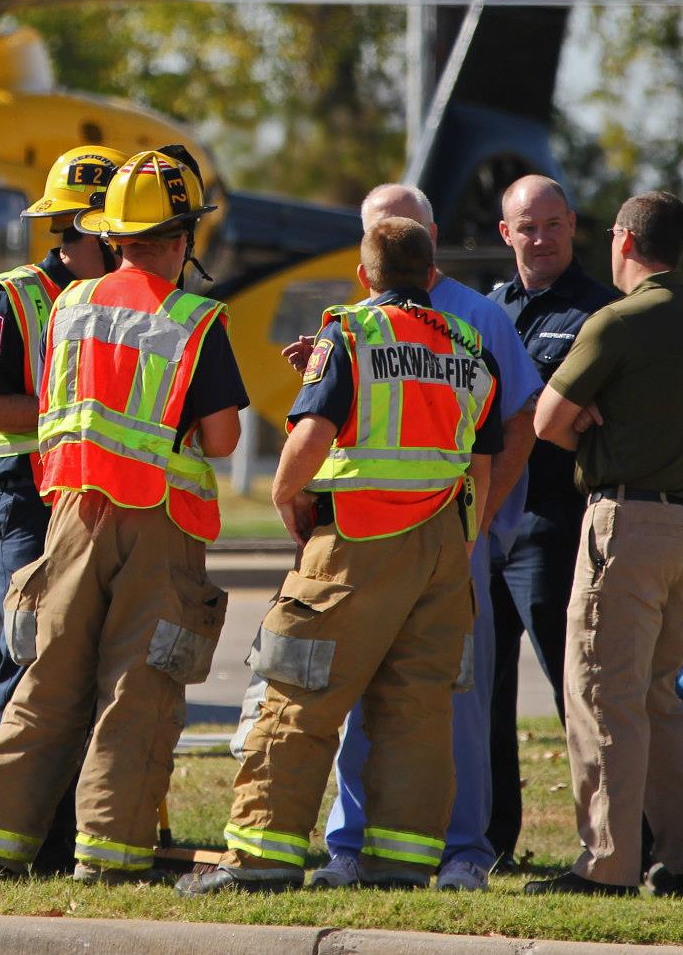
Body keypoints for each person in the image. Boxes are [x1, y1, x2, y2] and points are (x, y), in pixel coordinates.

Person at [185, 216, 503, 896]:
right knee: (417, 708)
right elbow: (481, 453)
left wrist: (284, 497)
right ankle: (402, 862)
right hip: (442, 548)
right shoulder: (469, 344)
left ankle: (261, 859)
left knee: (296, 691)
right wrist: (464, 534)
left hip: (356, 540)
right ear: (431, 276)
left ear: (365, 276)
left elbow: (313, 435)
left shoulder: (350, 333)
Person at [0, 149, 245, 884]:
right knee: (136, 690)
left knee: (47, 678)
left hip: (71, 514)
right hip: (160, 522)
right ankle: (110, 857)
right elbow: (221, 439)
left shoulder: (69, 305)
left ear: (113, 235)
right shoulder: (195, 319)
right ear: (182, 238)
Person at [278, 185, 538, 892]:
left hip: (438, 542)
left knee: (449, 700)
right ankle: (358, 843)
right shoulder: (361, 326)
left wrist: (480, 525)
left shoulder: (476, 317)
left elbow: (518, 423)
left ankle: (461, 848)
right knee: (381, 695)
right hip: (383, 537)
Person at [524, 192, 683, 900]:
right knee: (660, 697)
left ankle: (605, 866)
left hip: (628, 524)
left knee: (603, 694)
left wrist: (588, 421)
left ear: (624, 240)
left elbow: (548, 421)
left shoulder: (618, 321)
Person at [485, 175, 619, 864]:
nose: (541, 239)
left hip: (553, 524)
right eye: (526, 228)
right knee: (483, 693)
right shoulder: (486, 311)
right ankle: (489, 840)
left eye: (553, 225)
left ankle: (615, 842)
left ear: (573, 226)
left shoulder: (601, 312)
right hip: (486, 526)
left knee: (578, 692)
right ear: (505, 234)